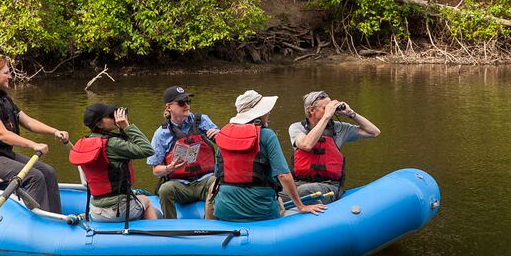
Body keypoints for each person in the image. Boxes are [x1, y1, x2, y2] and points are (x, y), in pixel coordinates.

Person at [0, 56, 69, 213]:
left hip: (3, 155)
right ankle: (39, 220)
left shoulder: (4, 99)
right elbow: (2, 134)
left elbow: (29, 122)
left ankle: (54, 217)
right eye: (6, 73)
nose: (10, 76)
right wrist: (33, 144)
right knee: (34, 176)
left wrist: (55, 131)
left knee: (48, 172)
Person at [211, 90, 326, 222]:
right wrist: (301, 206)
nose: (269, 113)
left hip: (224, 209)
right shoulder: (267, 135)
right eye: (265, 110)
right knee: (280, 204)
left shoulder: (224, 135)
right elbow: (283, 176)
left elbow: (218, 174)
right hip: (260, 210)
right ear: (258, 115)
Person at [70, 103, 159, 222]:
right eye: (110, 116)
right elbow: (148, 150)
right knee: (146, 201)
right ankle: (157, 236)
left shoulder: (84, 142)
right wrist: (127, 127)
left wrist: (122, 130)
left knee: (137, 200)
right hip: (116, 210)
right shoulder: (112, 144)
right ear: (99, 123)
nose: (115, 118)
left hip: (96, 210)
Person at [288, 90, 381, 204]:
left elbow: (374, 132)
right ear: (311, 110)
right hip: (299, 182)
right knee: (277, 192)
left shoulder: (339, 128)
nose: (330, 111)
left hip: (329, 185)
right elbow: (307, 144)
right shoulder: (297, 128)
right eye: (325, 108)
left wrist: (351, 113)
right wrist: (326, 116)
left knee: (304, 191)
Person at [147, 85, 219, 218]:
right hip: (180, 185)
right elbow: (155, 170)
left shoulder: (202, 120)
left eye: (188, 101)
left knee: (218, 182)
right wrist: (170, 167)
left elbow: (224, 144)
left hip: (206, 180)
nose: (186, 105)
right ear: (168, 107)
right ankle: (171, 228)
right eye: (181, 103)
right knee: (165, 189)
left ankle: (210, 225)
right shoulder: (161, 134)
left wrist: (219, 136)